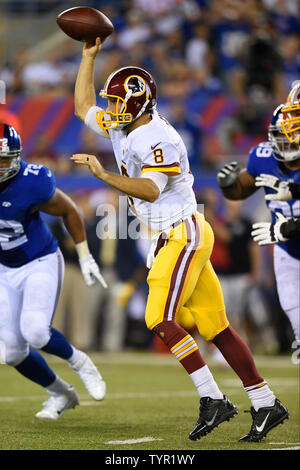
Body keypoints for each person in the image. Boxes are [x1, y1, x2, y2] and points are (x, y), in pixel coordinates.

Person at [71, 37, 289, 443]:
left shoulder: (157, 137)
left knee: (158, 317)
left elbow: (151, 190)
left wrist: (102, 176)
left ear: (138, 105)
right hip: (176, 232)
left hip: (181, 231)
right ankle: (265, 402)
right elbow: (83, 107)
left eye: (119, 103)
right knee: (217, 327)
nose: (112, 110)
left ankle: (213, 399)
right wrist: (89, 58)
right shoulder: (126, 124)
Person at [0, 123, 107, 420]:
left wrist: (85, 257)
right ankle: (61, 393)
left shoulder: (30, 181)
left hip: (39, 260)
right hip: (4, 268)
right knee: (11, 353)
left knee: (35, 330)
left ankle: (82, 363)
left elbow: (69, 210)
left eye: (3, 159)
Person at [217, 97, 300, 350]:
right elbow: (242, 189)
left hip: (285, 235)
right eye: (281, 136)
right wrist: (231, 186)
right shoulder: (262, 156)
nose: (285, 143)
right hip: (289, 251)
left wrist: (286, 227)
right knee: (293, 309)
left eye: (291, 136)